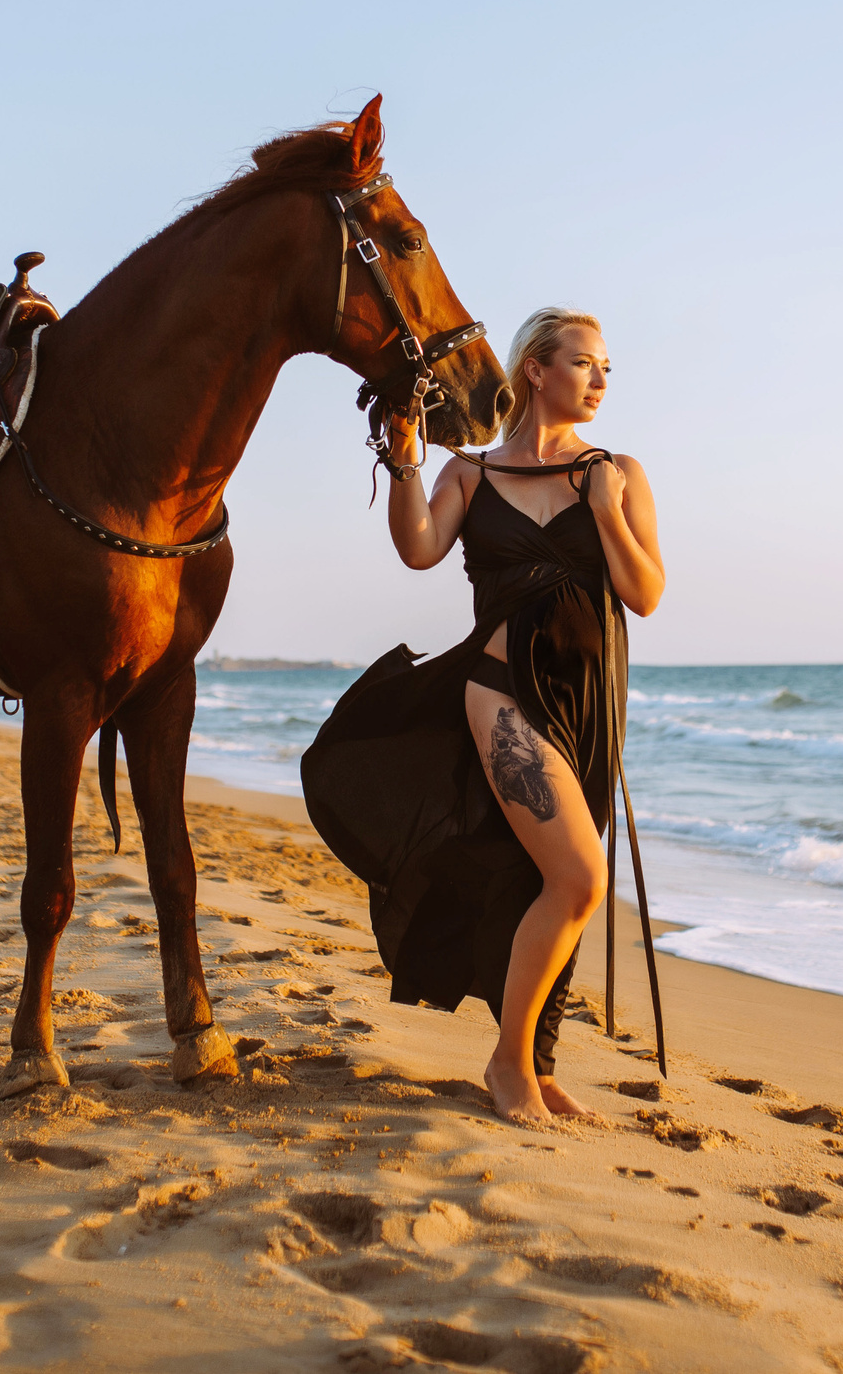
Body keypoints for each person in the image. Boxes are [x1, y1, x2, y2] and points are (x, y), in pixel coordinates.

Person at [302, 308, 665, 1124]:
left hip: (587, 705)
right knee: (580, 877)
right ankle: (508, 1064)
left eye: (606, 367)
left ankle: (537, 1063)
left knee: (544, 880)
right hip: (500, 690)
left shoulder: (618, 472)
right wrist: (403, 460)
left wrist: (606, 508)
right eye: (585, 362)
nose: (600, 379)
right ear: (536, 369)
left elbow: (644, 593)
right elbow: (419, 547)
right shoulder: (470, 472)